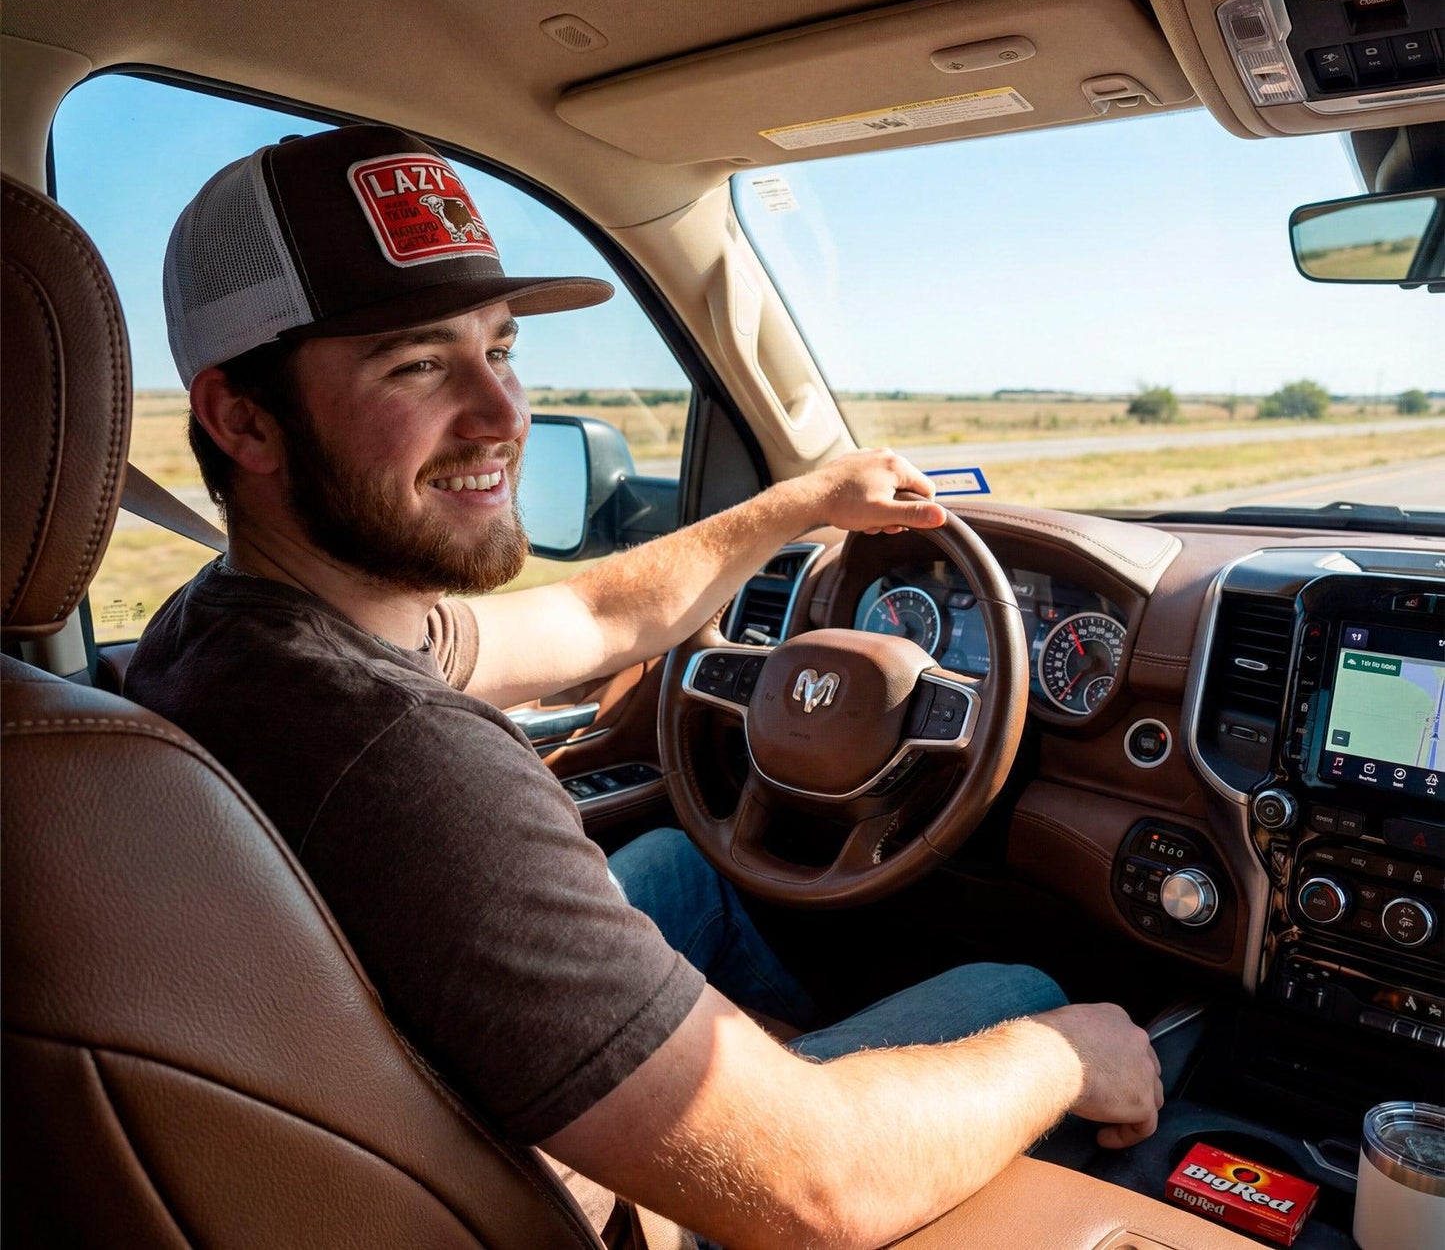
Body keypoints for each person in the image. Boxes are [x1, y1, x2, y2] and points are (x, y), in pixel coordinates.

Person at [126, 124, 1163, 1250]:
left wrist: (806, 503)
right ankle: (798, 1092)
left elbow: (591, 614)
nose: (503, 413)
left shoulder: (228, 628)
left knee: (680, 864)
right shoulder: (403, 760)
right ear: (242, 419)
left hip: (387, 1120)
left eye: (501, 348)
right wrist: (1068, 1051)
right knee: (1019, 987)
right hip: (549, 1203)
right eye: (418, 364)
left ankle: (759, 1060)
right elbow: (820, 1188)